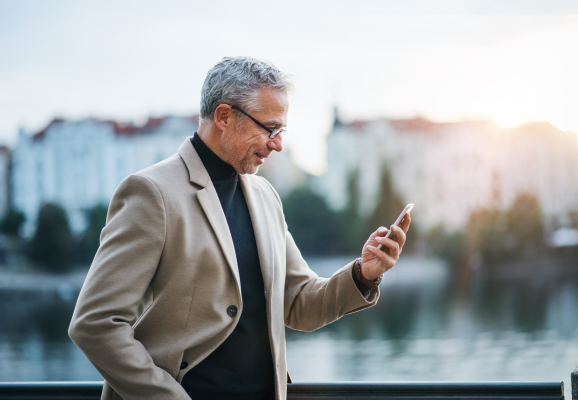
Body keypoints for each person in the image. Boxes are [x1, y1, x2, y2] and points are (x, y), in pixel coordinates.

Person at [68, 56, 411, 400]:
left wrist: (362, 275)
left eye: (281, 131)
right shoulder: (150, 192)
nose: (277, 144)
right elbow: (96, 324)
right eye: (269, 128)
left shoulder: (265, 195)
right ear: (224, 116)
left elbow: (297, 303)